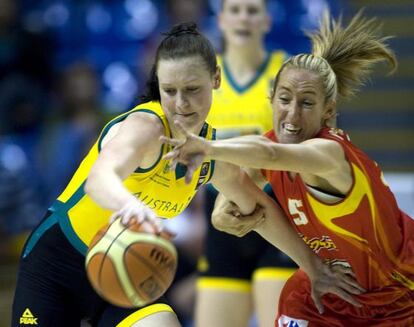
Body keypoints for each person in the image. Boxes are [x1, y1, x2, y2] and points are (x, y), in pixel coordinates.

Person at [11, 22, 362, 327]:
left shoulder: (210, 152)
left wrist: (313, 267)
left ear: (216, 78)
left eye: (192, 90)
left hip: (126, 275)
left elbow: (259, 210)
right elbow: (100, 179)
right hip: (56, 267)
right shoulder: (146, 127)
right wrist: (128, 205)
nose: (181, 104)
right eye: (170, 91)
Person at [161, 12, 414, 326]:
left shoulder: (329, 152)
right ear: (272, 100)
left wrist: (208, 148)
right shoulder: (270, 145)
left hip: (397, 290)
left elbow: (269, 154)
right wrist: (220, 214)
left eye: (306, 103)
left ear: (328, 110)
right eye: (284, 100)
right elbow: (238, 182)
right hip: (327, 283)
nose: (292, 115)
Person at [196, 1, 296, 327]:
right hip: (220, 221)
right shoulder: (199, 80)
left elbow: (293, 146)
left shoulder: (288, 74)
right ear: (221, 19)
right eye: (235, 10)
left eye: (252, 10)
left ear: (266, 21)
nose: (244, 18)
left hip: (278, 214)